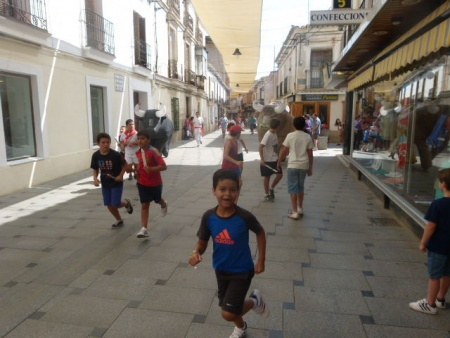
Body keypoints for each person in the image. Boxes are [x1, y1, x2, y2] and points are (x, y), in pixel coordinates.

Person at [188, 169, 269, 338]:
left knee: (228, 313)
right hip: (221, 269)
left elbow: (260, 233)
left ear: (238, 191)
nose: (227, 194)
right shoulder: (209, 217)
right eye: (222, 189)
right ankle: (241, 328)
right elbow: (202, 242)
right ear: (213, 190)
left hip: (242, 271)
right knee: (229, 307)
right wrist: (195, 253)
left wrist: (261, 260)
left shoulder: (244, 217)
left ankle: (254, 301)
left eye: (233, 189)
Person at [409, 168, 450, 315]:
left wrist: (423, 242)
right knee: (447, 274)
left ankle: (430, 304)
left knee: (434, 276)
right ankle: (440, 299)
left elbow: (431, 226)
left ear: (443, 184)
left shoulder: (438, 204)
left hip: (438, 247)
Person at [90, 132, 133, 229]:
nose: (105, 144)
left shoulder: (115, 155)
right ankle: (119, 219)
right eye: (103, 142)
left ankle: (126, 203)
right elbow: (95, 168)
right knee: (109, 204)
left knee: (115, 203)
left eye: (107, 142)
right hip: (105, 183)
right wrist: (95, 179)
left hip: (116, 182)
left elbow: (125, 165)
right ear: (98, 143)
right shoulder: (96, 155)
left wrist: (121, 175)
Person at [132, 129, 168, 238]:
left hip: (155, 183)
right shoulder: (137, 152)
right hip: (142, 182)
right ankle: (144, 229)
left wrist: (151, 169)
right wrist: (136, 171)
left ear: (148, 140)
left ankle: (163, 204)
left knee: (157, 200)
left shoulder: (153, 151)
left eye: (142, 139)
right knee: (144, 205)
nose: (140, 141)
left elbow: (164, 166)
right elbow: (138, 165)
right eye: (138, 139)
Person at [277, 116, 314, 220]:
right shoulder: (307, 137)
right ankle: (300, 208)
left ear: (294, 125)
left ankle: (295, 211)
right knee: (300, 187)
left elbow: (284, 150)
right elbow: (310, 154)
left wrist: (279, 161)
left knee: (293, 188)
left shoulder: (290, 136)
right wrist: (310, 168)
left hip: (293, 165)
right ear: (304, 125)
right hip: (304, 165)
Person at [259, 118, 283, 202]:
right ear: (277, 126)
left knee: (279, 175)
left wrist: (279, 156)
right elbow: (261, 146)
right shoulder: (268, 134)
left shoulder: (274, 133)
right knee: (267, 177)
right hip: (267, 159)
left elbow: (275, 146)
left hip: (275, 158)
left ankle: (271, 188)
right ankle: (267, 194)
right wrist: (262, 159)